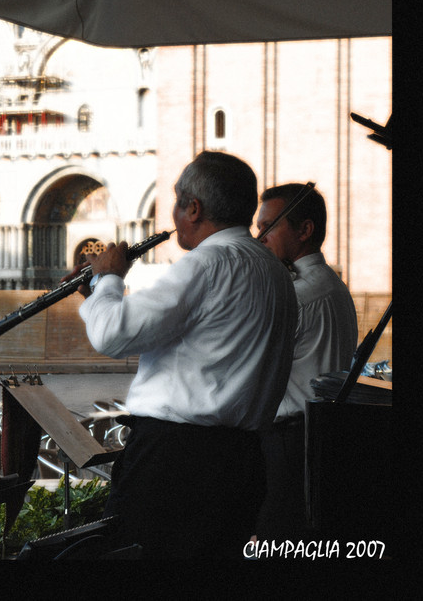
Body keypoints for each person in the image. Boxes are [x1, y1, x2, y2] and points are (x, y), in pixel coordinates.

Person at [69, 150, 297, 558]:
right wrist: (98, 293)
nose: (172, 217)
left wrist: (108, 279)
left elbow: (111, 335)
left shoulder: (206, 264)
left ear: (194, 208)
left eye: (176, 203)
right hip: (242, 462)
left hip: (176, 464)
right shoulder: (276, 272)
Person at [253, 183, 358, 542]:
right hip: (315, 436)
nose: (259, 236)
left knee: (278, 542)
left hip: (290, 442)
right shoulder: (332, 285)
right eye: (258, 227)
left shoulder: (297, 295)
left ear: (305, 230)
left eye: (268, 226)